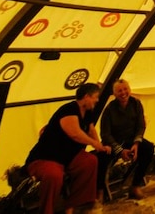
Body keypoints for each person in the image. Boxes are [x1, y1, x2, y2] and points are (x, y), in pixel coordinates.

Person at [25, 83, 110, 214]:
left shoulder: (88, 112)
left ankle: (72, 206)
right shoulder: (68, 109)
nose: (97, 100)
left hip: (69, 156)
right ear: (86, 96)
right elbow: (75, 133)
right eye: (95, 97)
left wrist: (99, 145)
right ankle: (47, 211)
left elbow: (91, 130)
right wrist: (95, 144)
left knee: (90, 161)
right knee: (54, 175)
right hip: (46, 157)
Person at [97, 79, 155, 200]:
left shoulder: (136, 103)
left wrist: (136, 143)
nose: (123, 93)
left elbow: (141, 125)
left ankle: (135, 186)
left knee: (148, 148)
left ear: (129, 90)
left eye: (125, 89)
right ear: (114, 94)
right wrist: (120, 150)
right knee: (101, 158)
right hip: (114, 142)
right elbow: (105, 134)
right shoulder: (109, 110)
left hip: (131, 140)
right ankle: (100, 191)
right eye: (119, 91)